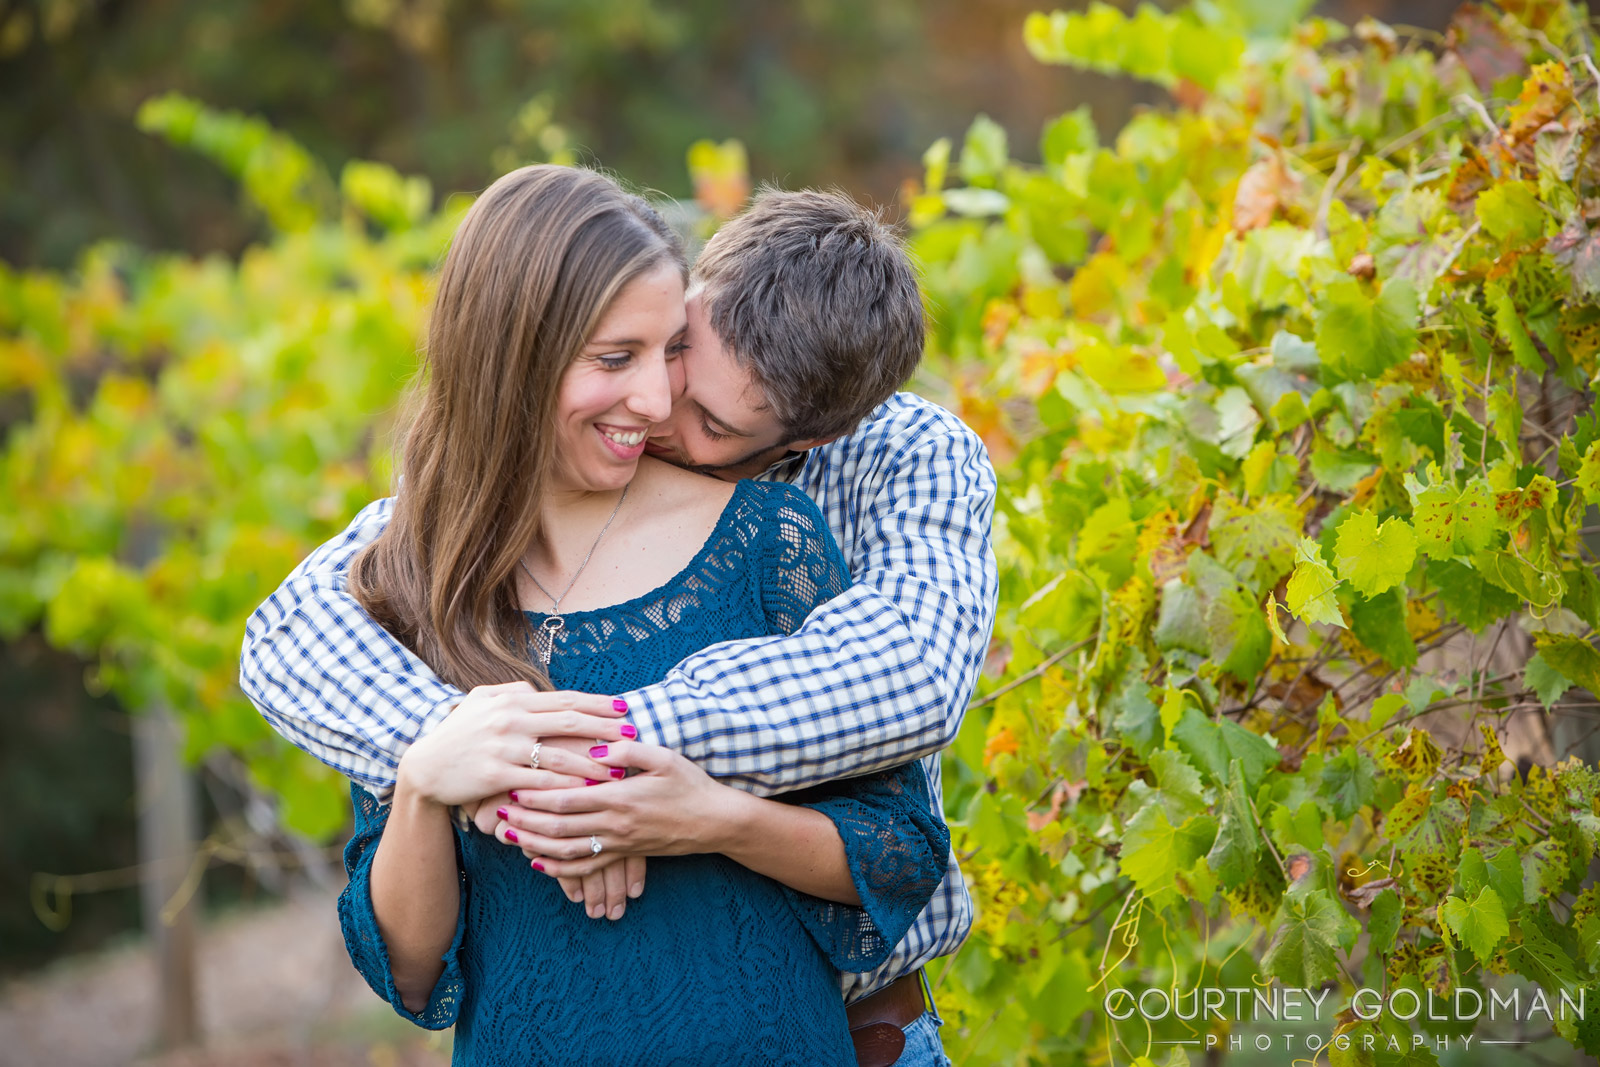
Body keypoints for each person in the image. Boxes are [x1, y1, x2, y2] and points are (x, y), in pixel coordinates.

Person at [242, 182, 999, 1066]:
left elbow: (904, 679)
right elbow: (295, 627)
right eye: (666, 348)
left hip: (856, 1028)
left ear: (807, 440)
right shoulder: (465, 536)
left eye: (710, 421)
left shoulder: (888, 467)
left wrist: (601, 763)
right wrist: (469, 756)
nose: (655, 406)